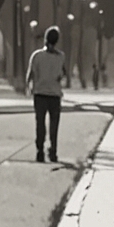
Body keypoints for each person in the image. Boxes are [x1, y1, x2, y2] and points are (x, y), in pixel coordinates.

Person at [26, 26, 68, 163]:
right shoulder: (61, 57)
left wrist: (29, 87)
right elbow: (64, 75)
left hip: (40, 93)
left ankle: (40, 151)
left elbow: (30, 75)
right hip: (55, 95)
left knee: (40, 123)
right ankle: (53, 151)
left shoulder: (36, 56)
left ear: (45, 39)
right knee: (54, 125)